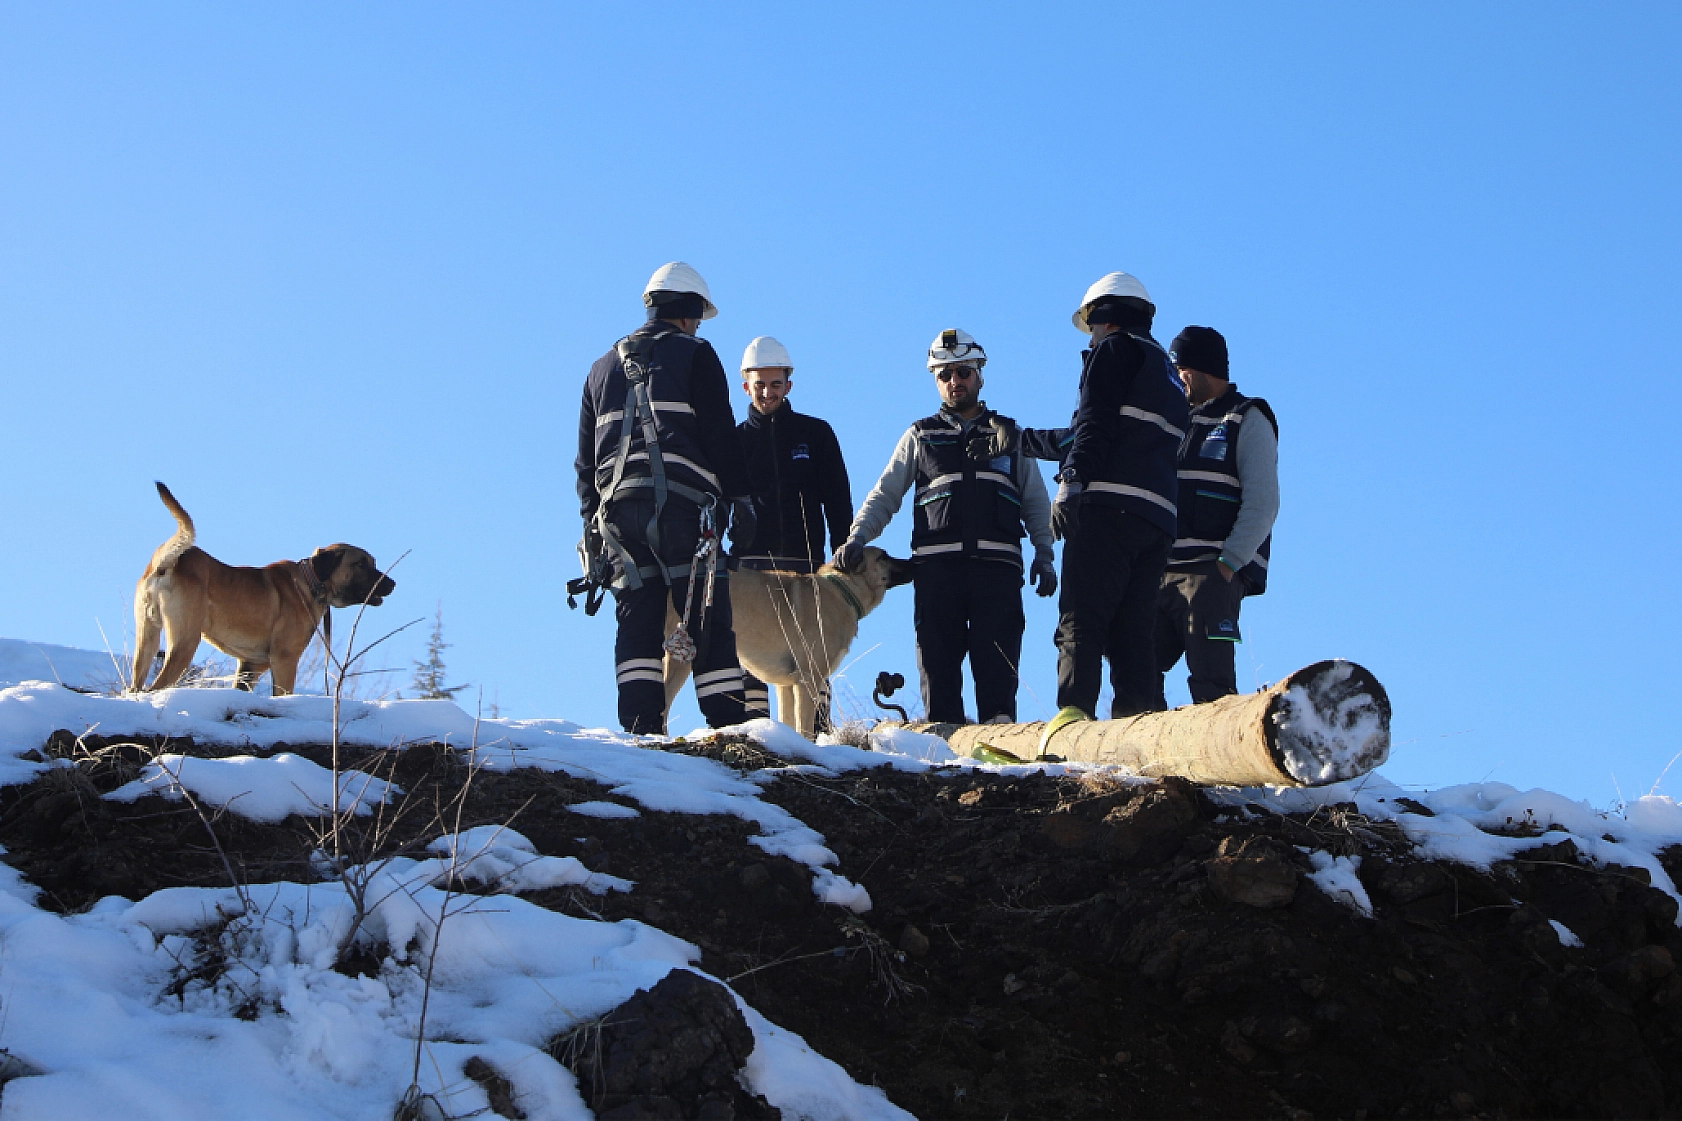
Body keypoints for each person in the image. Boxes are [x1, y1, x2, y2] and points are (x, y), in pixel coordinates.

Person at [833, 329, 1055, 724]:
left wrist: (1044, 553)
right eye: (945, 374)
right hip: (938, 574)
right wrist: (858, 537)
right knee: (938, 676)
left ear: (980, 374)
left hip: (998, 573)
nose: (955, 382)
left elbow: (1036, 501)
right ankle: (944, 764)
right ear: (936, 380)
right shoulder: (920, 436)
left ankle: (1001, 763)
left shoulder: (1008, 434)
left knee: (998, 676)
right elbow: (885, 494)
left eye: (963, 372)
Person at [575, 262, 756, 734]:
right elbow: (719, 433)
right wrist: (741, 498)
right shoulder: (696, 354)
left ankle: (641, 733)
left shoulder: (599, 368)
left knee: (637, 621)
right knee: (706, 617)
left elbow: (584, 463)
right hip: (684, 513)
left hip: (618, 519)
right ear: (689, 310)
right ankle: (728, 729)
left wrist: (590, 528)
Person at [1041, 272, 1190, 729]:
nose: (1090, 333)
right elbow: (1107, 432)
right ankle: (1135, 725)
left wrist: (1071, 480)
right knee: (1133, 632)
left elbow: (1095, 425)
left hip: (1107, 510)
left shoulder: (1112, 351)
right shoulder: (1165, 372)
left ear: (1105, 314)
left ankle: (1073, 724)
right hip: (1157, 519)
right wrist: (1022, 440)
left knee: (1081, 621)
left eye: (1091, 323)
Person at [732, 335, 854, 720]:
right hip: (750, 569)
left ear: (789, 384)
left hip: (805, 569)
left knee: (812, 664)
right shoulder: (732, 441)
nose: (768, 392)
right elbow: (717, 504)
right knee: (750, 668)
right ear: (746, 385)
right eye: (760, 384)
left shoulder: (816, 434)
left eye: (776, 384)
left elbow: (837, 500)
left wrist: (842, 557)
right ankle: (753, 751)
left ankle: (813, 749)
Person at [1155, 325, 1278, 704]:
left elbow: (1264, 501)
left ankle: (1219, 758)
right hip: (1159, 572)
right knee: (1137, 670)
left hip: (1210, 573)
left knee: (1212, 682)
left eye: (1181, 372)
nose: (1177, 381)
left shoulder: (1245, 417)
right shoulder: (1172, 420)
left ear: (1202, 369)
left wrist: (1227, 564)